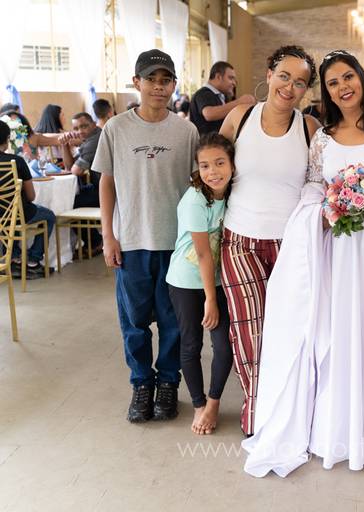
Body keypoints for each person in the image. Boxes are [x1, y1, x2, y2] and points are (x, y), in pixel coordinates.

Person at [240, 49, 364, 477]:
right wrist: (328, 209)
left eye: (348, 77)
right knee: (341, 334)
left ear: (361, 77)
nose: (343, 87)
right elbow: (312, 186)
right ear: (325, 92)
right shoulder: (323, 138)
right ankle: (337, 431)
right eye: (332, 83)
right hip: (340, 252)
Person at [218, 45, 321, 437]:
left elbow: (320, 184)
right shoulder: (240, 117)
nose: (289, 87)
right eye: (284, 76)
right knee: (249, 329)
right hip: (239, 240)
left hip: (290, 245)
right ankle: (257, 409)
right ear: (269, 74)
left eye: (300, 83)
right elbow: (213, 168)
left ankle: (290, 408)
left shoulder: (309, 128)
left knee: (289, 329)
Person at [93, 49, 199, 424]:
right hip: (131, 241)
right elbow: (106, 182)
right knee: (134, 323)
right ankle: (141, 383)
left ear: (173, 85)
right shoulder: (116, 128)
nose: (158, 87)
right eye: (151, 79)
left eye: (165, 80)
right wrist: (108, 235)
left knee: (172, 321)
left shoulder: (186, 131)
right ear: (136, 82)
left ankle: (168, 382)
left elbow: (197, 183)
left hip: (175, 243)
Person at [166, 132, 234, 435]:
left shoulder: (233, 194)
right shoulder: (195, 199)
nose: (212, 172)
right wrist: (210, 299)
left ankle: (213, 403)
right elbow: (204, 254)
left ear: (232, 164)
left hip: (217, 280)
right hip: (186, 282)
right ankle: (198, 404)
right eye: (204, 166)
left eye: (220, 163)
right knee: (191, 343)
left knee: (224, 345)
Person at [0, 120, 56, 280]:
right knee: (49, 216)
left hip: (2, 217)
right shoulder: (16, 161)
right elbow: (31, 196)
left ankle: (14, 259)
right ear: (7, 139)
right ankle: (33, 260)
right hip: (18, 213)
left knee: (8, 216)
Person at [60, 112, 103, 249]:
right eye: (76, 128)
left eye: (84, 126)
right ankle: (94, 241)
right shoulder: (90, 139)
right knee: (75, 198)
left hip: (109, 191)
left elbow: (75, 171)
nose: (80, 131)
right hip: (100, 186)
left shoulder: (94, 141)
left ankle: (95, 243)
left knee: (69, 203)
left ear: (94, 124)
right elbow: (69, 166)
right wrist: (64, 145)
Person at [190, 61, 256, 135]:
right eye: (231, 78)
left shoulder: (222, 96)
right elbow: (209, 114)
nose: (234, 83)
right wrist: (239, 102)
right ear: (218, 77)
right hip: (207, 141)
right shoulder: (203, 93)